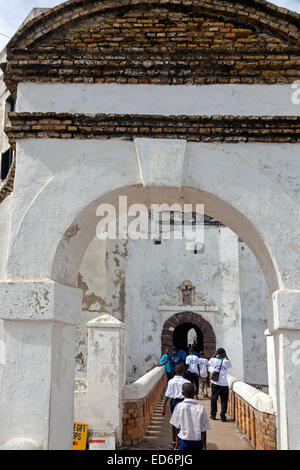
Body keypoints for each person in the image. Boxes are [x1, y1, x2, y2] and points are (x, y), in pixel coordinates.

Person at [170, 382, 210, 451]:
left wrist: (177, 443)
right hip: (197, 442)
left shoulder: (179, 407)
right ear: (194, 393)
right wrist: (204, 445)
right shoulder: (201, 408)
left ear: (182, 394)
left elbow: (176, 427)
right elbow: (203, 430)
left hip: (183, 441)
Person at [161, 363, 191, 448]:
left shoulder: (171, 381)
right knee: (184, 422)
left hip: (174, 403)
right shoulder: (187, 382)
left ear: (175, 371)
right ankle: (181, 441)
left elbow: (167, 395)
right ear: (184, 371)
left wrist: (163, 407)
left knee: (175, 423)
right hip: (184, 403)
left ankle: (174, 441)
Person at [209, 348, 232, 422]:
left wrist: (215, 354)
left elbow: (209, 362)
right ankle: (222, 416)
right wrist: (226, 356)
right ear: (223, 353)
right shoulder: (226, 361)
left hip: (215, 383)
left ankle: (213, 415)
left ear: (217, 353)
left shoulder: (213, 360)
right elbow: (230, 365)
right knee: (224, 401)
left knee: (213, 399)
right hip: (224, 384)